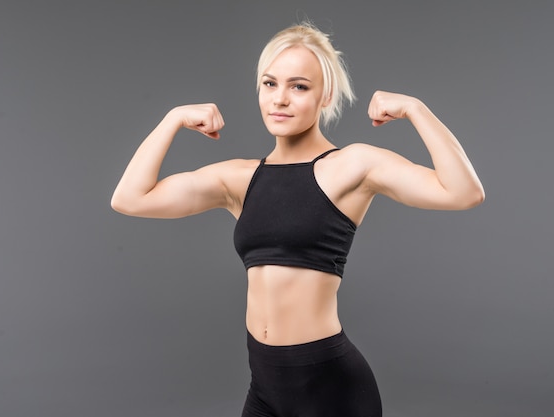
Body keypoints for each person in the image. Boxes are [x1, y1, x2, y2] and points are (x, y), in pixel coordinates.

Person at [111, 22, 484, 417]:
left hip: (330, 390)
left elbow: (464, 192)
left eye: (299, 86)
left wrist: (415, 110)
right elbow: (130, 198)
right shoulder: (240, 178)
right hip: (265, 387)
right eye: (270, 84)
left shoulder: (352, 165)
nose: (280, 99)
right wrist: (172, 119)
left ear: (326, 95)